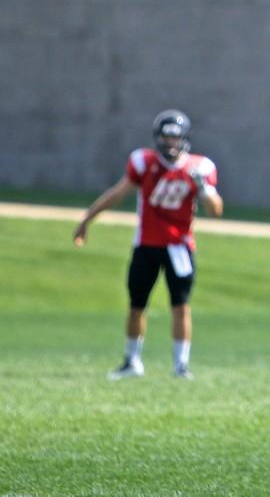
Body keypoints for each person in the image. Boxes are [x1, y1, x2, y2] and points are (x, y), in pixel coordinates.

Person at [73, 109, 223, 380]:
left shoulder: (200, 168)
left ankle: (181, 365)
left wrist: (204, 188)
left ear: (184, 139)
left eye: (175, 138)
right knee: (137, 304)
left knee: (181, 305)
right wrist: (88, 218)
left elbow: (216, 209)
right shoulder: (144, 162)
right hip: (147, 243)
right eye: (165, 137)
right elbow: (118, 194)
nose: (170, 144)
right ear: (158, 138)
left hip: (180, 246)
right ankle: (132, 361)